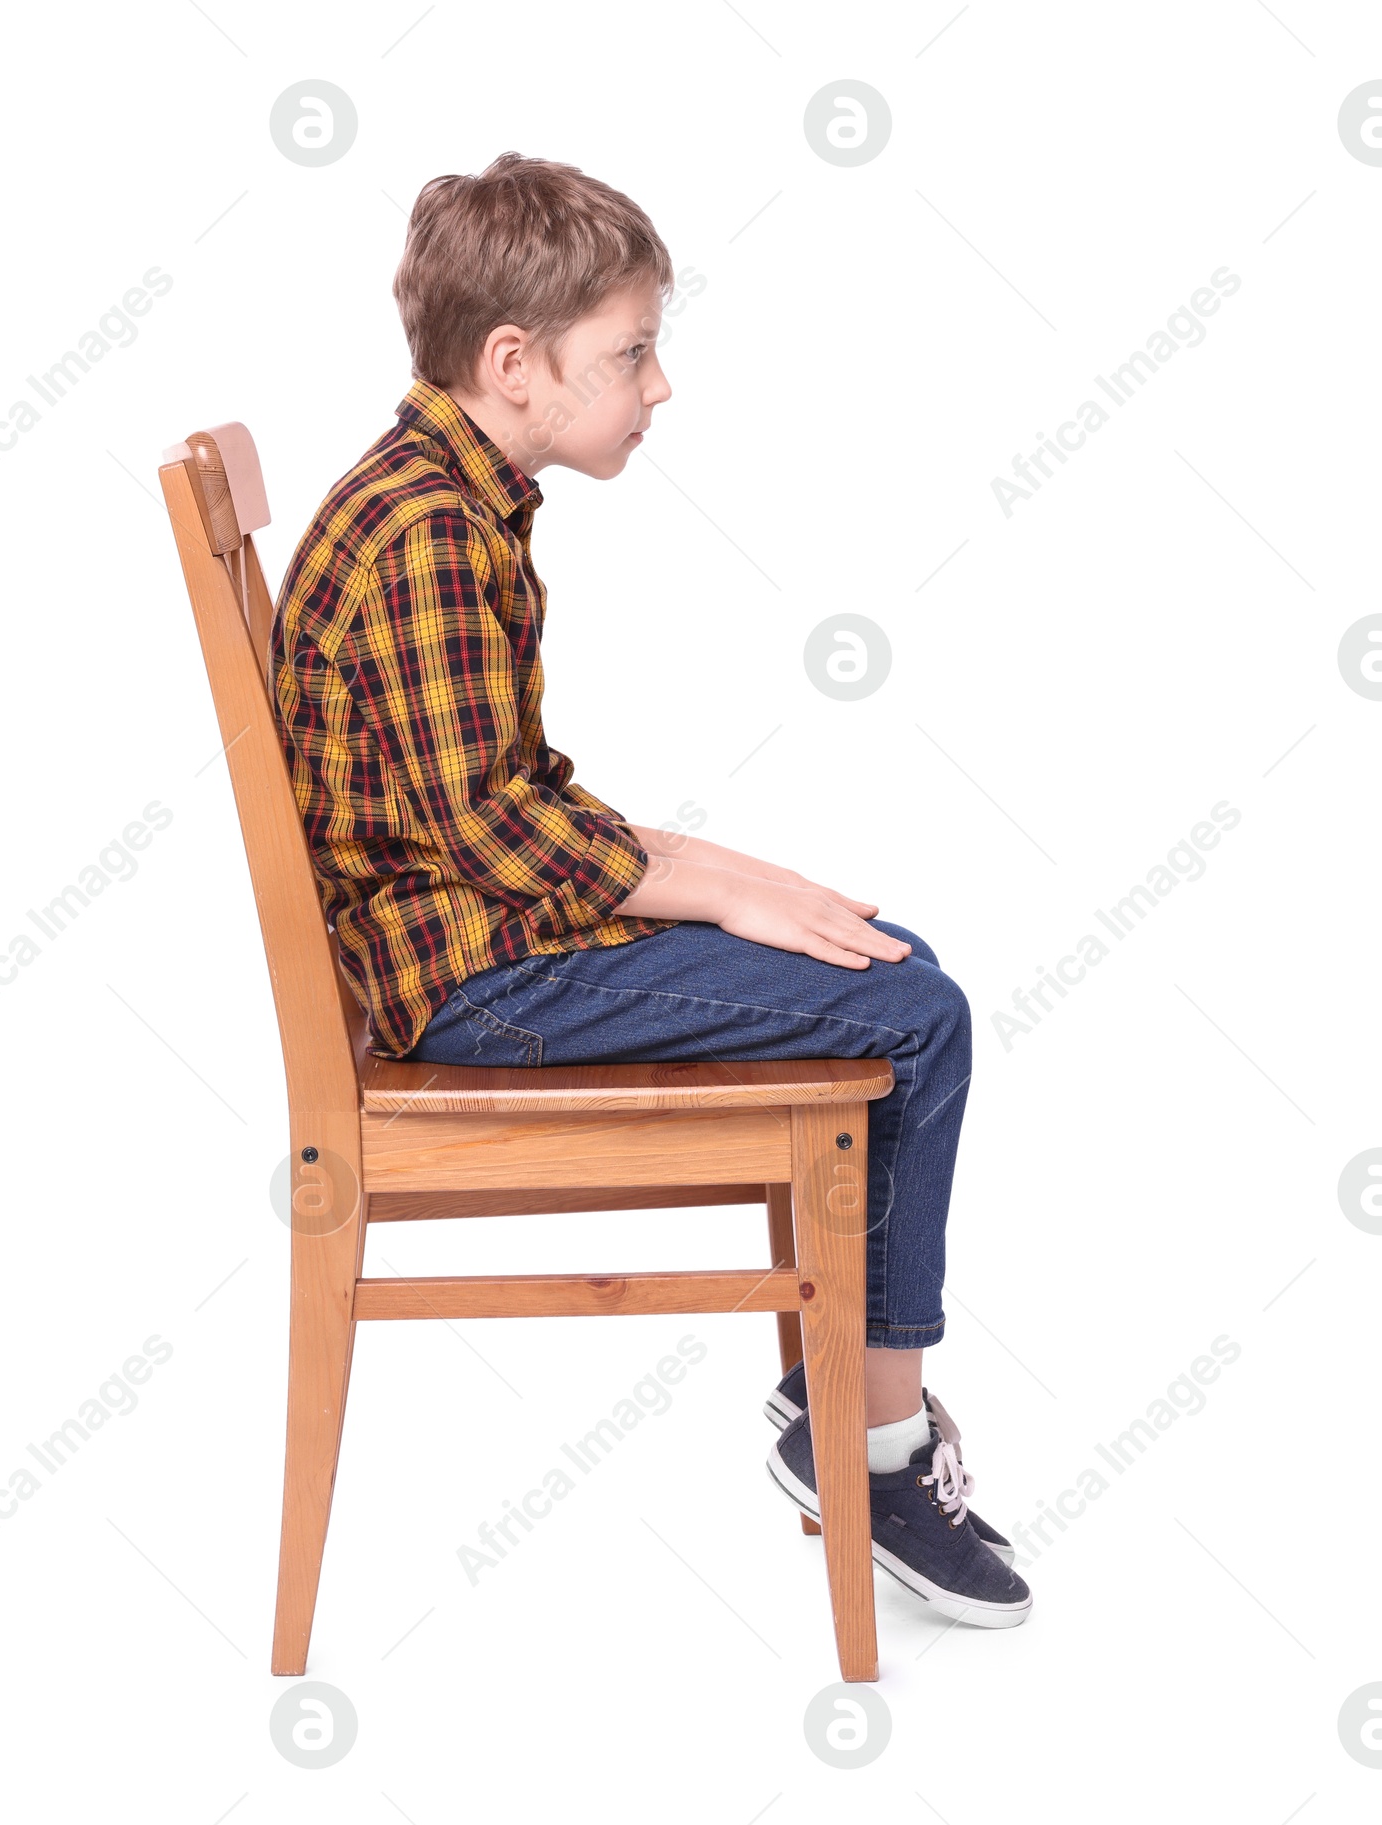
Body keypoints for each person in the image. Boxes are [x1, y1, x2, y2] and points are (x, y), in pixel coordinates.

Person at [269, 151, 1030, 1629]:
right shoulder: (426, 530)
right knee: (921, 1016)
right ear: (516, 364)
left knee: (893, 958)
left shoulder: (446, 493)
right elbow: (493, 836)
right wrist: (708, 890)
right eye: (629, 352)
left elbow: (508, 790)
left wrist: (724, 873)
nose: (659, 385)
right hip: (474, 991)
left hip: (479, 943)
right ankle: (867, 1450)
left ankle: (845, 1426)